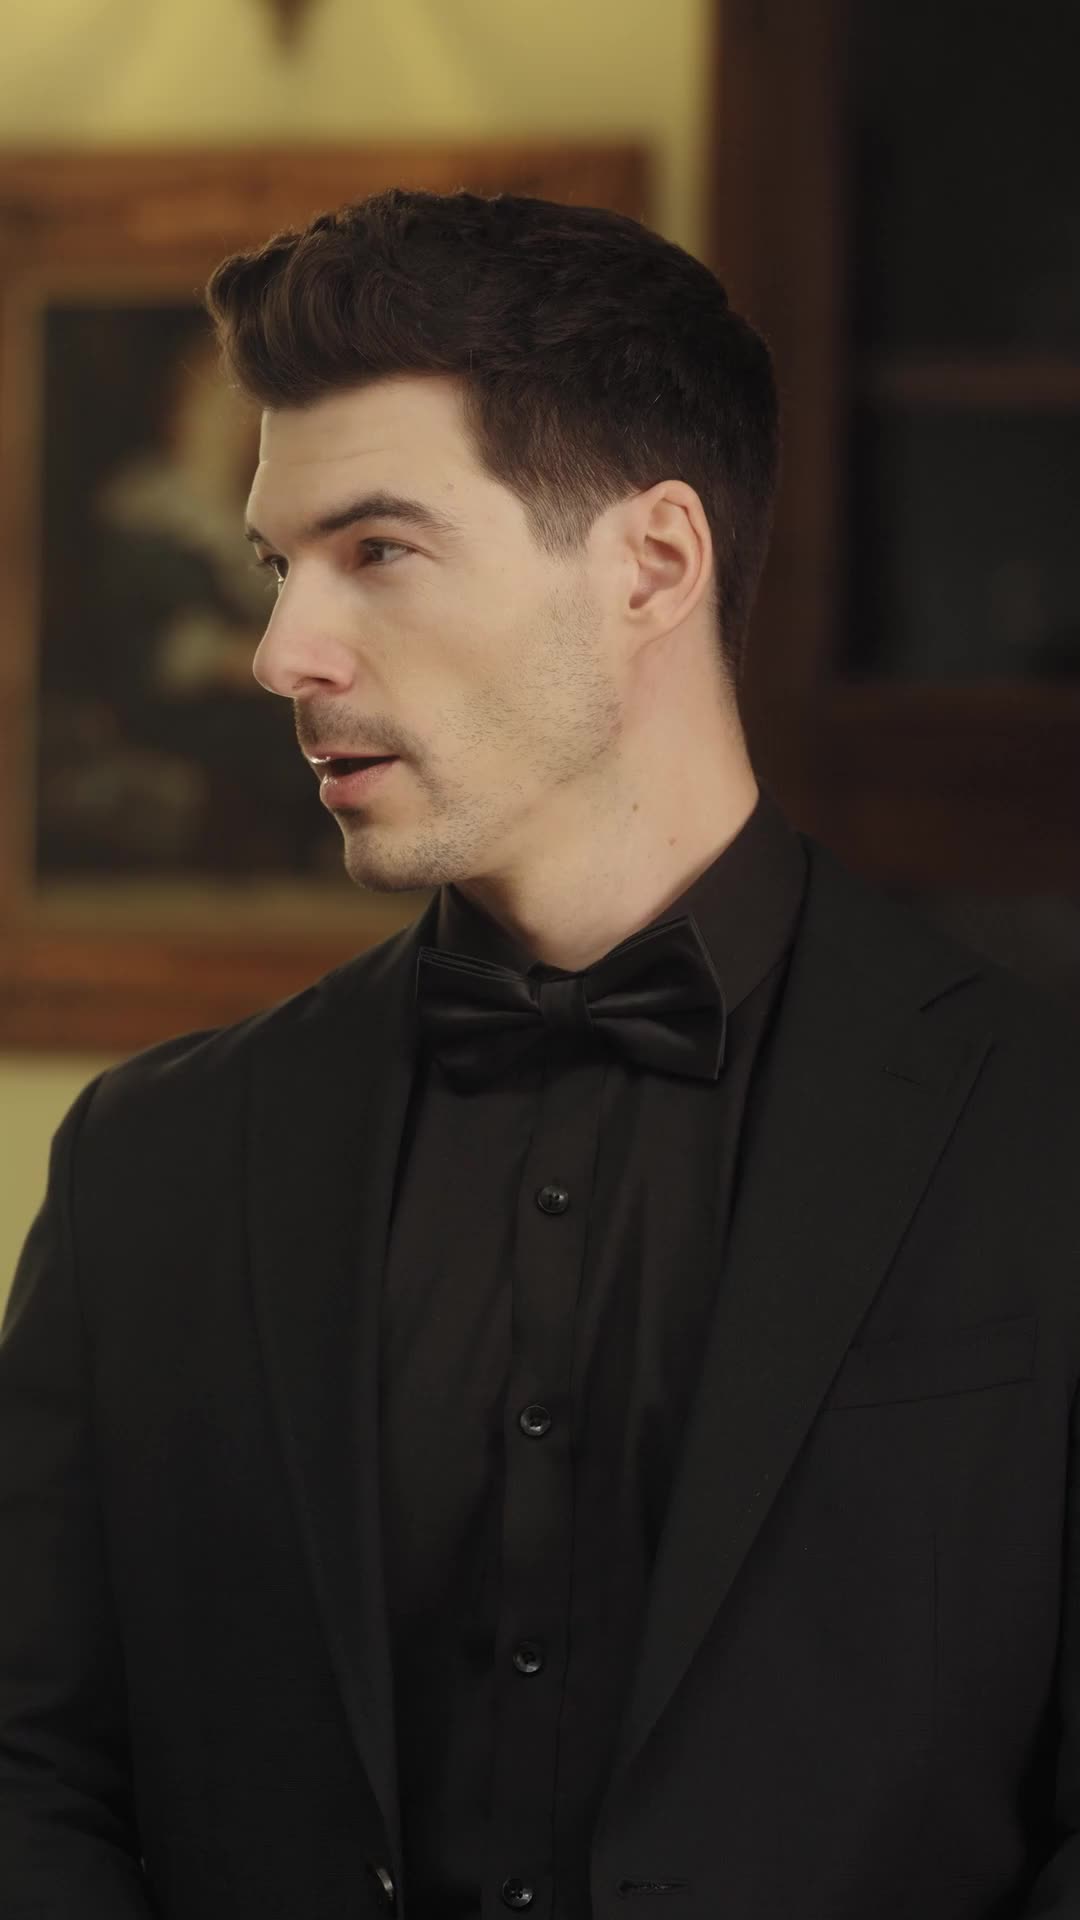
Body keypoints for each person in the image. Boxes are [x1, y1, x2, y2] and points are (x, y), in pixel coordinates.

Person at [1, 187, 1078, 1920]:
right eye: (279, 567)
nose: (281, 652)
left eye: (378, 550)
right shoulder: (150, 1164)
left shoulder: (1042, 1140)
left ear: (653, 564)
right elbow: (28, 1768)